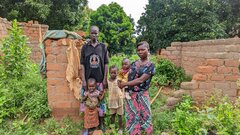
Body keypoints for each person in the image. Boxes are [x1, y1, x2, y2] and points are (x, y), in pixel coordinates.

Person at [118, 41, 155, 135]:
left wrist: (124, 84)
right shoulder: (134, 63)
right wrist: (119, 79)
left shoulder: (150, 65)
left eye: (143, 49)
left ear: (148, 50)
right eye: (138, 50)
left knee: (146, 115)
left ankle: (147, 132)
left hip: (142, 94)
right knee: (132, 116)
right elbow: (125, 72)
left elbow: (140, 80)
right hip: (131, 94)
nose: (140, 52)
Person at [80, 25, 109, 131]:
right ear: (89, 33)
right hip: (88, 81)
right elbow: (82, 64)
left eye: (96, 33)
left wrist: (105, 78)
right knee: (87, 101)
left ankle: (101, 123)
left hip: (100, 79)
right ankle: (88, 124)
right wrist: (83, 80)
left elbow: (106, 63)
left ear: (98, 33)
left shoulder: (103, 47)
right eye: (92, 33)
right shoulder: (85, 47)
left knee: (101, 102)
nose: (94, 35)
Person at [108, 65, 124, 134]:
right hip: (111, 101)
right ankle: (112, 127)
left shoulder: (118, 80)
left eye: (115, 73)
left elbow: (122, 87)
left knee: (120, 115)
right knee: (112, 115)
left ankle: (120, 128)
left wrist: (123, 94)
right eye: (111, 73)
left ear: (117, 73)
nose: (113, 74)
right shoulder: (107, 80)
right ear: (109, 73)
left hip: (119, 100)